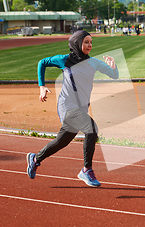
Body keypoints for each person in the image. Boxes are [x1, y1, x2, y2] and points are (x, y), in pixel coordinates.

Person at [27, 30, 119, 187]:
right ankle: (86, 170)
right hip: (67, 105)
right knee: (91, 129)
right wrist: (42, 86)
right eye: (86, 42)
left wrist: (113, 66)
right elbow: (42, 62)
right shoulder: (65, 60)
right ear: (77, 43)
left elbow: (114, 75)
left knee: (62, 141)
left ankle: (35, 159)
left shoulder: (94, 63)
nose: (89, 45)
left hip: (81, 107)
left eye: (91, 42)